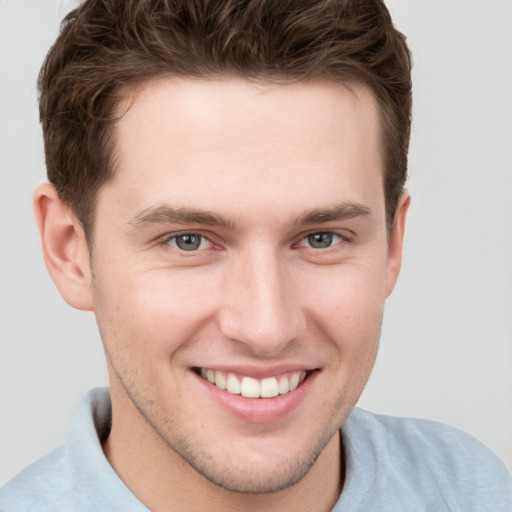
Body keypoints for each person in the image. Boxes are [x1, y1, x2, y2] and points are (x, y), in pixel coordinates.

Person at [1, 0, 511, 510]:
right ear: (70, 250)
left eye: (321, 238)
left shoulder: (473, 491)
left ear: (392, 244)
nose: (266, 328)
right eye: (189, 241)